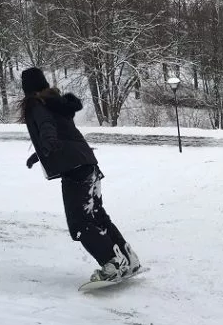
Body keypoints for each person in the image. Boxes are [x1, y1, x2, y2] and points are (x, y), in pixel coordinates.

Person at [19, 67, 141, 282]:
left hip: (73, 168)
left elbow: (47, 128)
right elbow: (62, 132)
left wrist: (48, 145)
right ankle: (127, 257)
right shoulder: (55, 102)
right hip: (87, 164)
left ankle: (112, 263)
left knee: (80, 221)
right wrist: (39, 154)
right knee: (97, 215)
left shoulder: (35, 104)